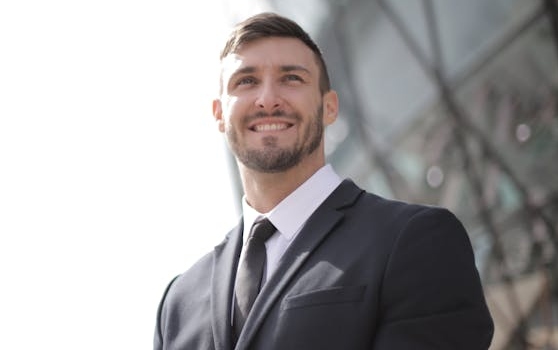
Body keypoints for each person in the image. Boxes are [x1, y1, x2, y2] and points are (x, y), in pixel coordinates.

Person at [153, 12, 493, 350]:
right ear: (219, 114)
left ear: (329, 108)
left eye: (291, 79)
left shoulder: (416, 241)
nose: (268, 98)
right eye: (246, 81)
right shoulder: (177, 304)